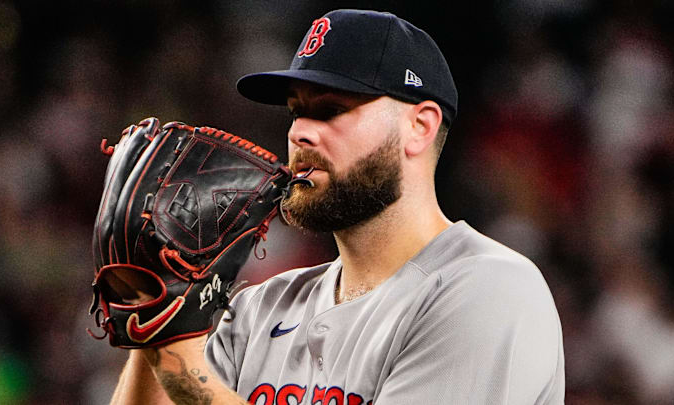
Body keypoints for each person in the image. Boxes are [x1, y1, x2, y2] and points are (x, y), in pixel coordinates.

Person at [109, 9, 565, 405]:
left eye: (330, 110)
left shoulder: (490, 290)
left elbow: (185, 373)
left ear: (420, 126)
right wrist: (156, 314)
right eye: (295, 112)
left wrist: (180, 360)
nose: (300, 134)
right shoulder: (258, 310)